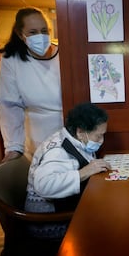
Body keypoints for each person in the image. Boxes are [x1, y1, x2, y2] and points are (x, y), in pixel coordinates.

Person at [24, 102, 111, 239]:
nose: (101, 141)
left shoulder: (73, 139)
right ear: (80, 131)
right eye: (98, 136)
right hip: (48, 221)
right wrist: (84, 172)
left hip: (64, 207)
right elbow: (44, 185)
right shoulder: (57, 150)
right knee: (111, 224)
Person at [0, 7, 62, 163]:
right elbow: (8, 105)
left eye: (44, 30)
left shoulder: (64, 54)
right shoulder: (12, 60)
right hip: (38, 140)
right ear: (21, 34)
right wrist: (13, 147)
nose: (40, 36)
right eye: (33, 32)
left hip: (70, 133)